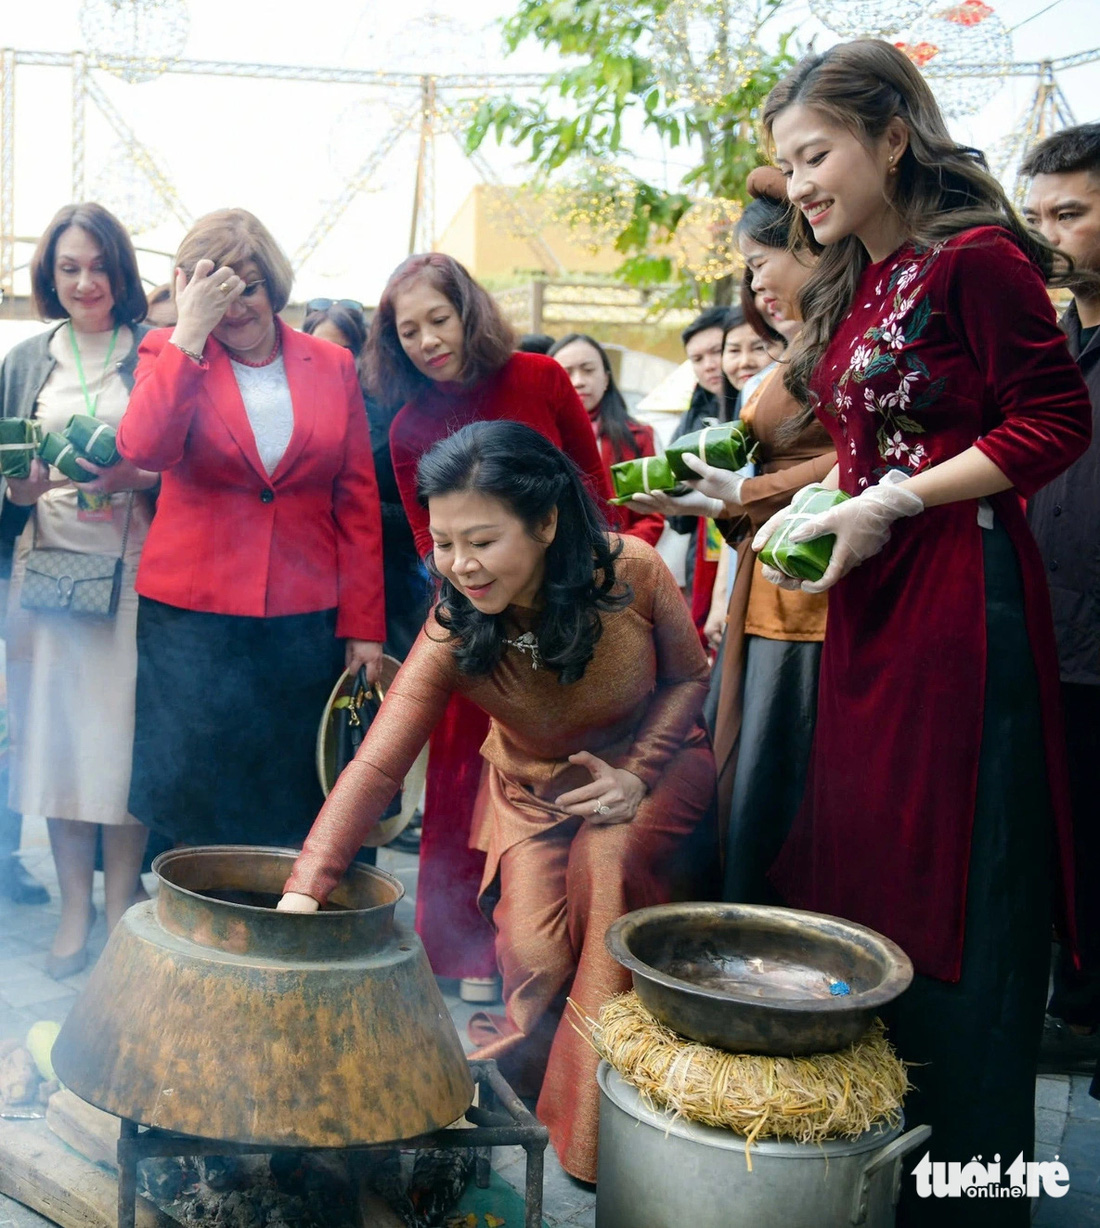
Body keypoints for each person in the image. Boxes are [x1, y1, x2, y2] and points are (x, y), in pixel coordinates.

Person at [741, 41, 1091, 1225]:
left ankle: (972, 1192)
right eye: (786, 166)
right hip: (874, 601)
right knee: (869, 871)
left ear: (891, 136)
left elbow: (1051, 420)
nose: (797, 185)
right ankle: (881, 1170)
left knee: (960, 881)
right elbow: (865, 443)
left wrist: (896, 498)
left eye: (814, 153)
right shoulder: (862, 280)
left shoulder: (974, 261)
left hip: (960, 598)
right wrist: (818, 497)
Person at [279, 421, 716, 1184]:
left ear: (546, 523)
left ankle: (587, 1144)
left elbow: (688, 678)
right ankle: (543, 1072)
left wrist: (639, 773)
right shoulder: (454, 622)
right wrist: (304, 889)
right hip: (533, 793)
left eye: (481, 540)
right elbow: (381, 760)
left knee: (607, 869)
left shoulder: (634, 572)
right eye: (444, 543)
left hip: (653, 771)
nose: (460, 565)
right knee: (537, 960)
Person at [364, 252, 612, 1000]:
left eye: (438, 319)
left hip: (568, 611)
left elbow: (592, 488)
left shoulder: (539, 378)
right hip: (475, 623)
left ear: (469, 311)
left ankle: (558, 953)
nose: (427, 340)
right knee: (461, 777)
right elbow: (422, 536)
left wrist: (582, 587)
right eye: (408, 331)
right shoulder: (409, 425)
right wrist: (473, 587)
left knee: (559, 776)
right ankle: (465, 954)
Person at [117, 208, 385, 852]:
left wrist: (365, 625)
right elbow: (144, 448)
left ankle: (282, 925)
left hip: (304, 614)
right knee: (193, 788)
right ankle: (196, 931)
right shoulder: (168, 351)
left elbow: (356, 501)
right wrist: (188, 331)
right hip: (191, 616)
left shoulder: (332, 363)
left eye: (249, 285)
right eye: (217, 287)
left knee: (292, 786)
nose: (235, 304)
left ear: (275, 285)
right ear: (189, 290)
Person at [633, 168, 835, 903]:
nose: (757, 285)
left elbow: (861, 462)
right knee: (748, 763)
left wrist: (744, 494)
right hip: (763, 574)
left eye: (760, 264)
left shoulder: (845, 348)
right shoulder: (805, 349)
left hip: (813, 592)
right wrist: (715, 502)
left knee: (789, 765)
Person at [1, 203, 156, 975]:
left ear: (121, 271)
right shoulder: (28, 360)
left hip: (135, 577)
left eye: (98, 265)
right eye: (69, 267)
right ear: (49, 276)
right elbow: (7, 476)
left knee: (122, 749)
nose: (85, 281)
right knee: (59, 750)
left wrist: (137, 478)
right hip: (49, 574)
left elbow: (180, 465)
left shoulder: (153, 353)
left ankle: (122, 907)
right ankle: (72, 914)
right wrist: (20, 493)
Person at [1021, 123, 1100, 1061]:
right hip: (1045, 638)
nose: (1048, 237)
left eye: (1071, 214)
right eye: (1036, 216)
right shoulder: (1049, 344)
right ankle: (1073, 1006)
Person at [301, 299, 428, 660]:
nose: (329, 359)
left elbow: (421, 514)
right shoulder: (286, 409)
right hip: (309, 588)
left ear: (360, 354)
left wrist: (352, 512)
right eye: (317, 348)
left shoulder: (394, 417)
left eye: (343, 350)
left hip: (390, 586)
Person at [548, 332, 663, 546]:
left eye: (588, 370)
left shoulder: (638, 436)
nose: (579, 381)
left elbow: (652, 515)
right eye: (566, 373)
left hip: (623, 558)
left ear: (607, 378)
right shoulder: (540, 439)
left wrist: (619, 553)